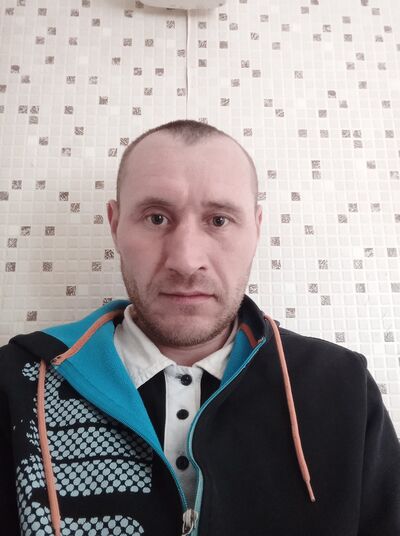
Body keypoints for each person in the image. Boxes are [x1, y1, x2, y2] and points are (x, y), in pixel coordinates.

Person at [1, 119, 399, 536]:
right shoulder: (15, 383)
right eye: (156, 218)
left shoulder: (343, 386)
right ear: (115, 225)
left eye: (219, 220)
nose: (186, 261)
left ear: (256, 229)